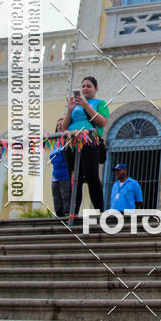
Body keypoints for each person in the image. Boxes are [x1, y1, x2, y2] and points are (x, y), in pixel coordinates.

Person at [62, 76, 109, 216]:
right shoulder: (75, 106)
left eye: (88, 86)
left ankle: (100, 210)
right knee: (74, 177)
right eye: (83, 86)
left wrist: (86, 105)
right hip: (72, 142)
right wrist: (70, 110)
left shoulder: (100, 103)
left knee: (91, 176)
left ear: (96, 88)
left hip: (90, 140)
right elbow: (64, 127)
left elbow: (102, 122)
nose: (85, 88)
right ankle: (73, 212)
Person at [49, 118, 70, 216]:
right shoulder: (54, 143)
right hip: (55, 177)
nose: (60, 126)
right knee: (57, 202)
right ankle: (59, 219)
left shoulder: (68, 141)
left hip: (65, 175)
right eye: (58, 125)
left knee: (65, 199)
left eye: (62, 124)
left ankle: (66, 220)